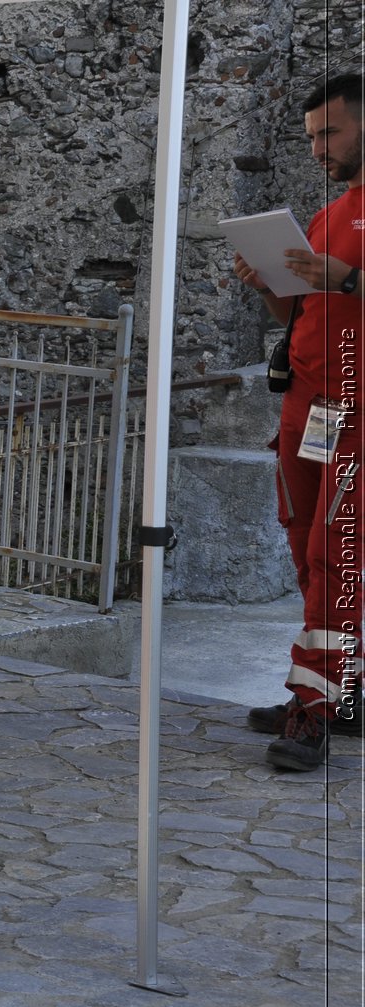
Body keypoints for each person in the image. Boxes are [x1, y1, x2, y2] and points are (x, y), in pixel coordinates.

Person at [233, 73, 365, 770]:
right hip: (305, 408)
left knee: (335, 558)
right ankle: (337, 691)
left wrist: (344, 277)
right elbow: (304, 317)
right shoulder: (328, 212)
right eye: (312, 135)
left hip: (358, 418)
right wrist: (271, 289)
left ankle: (312, 711)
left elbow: (344, 288)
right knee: (303, 549)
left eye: (331, 132)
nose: (319, 146)